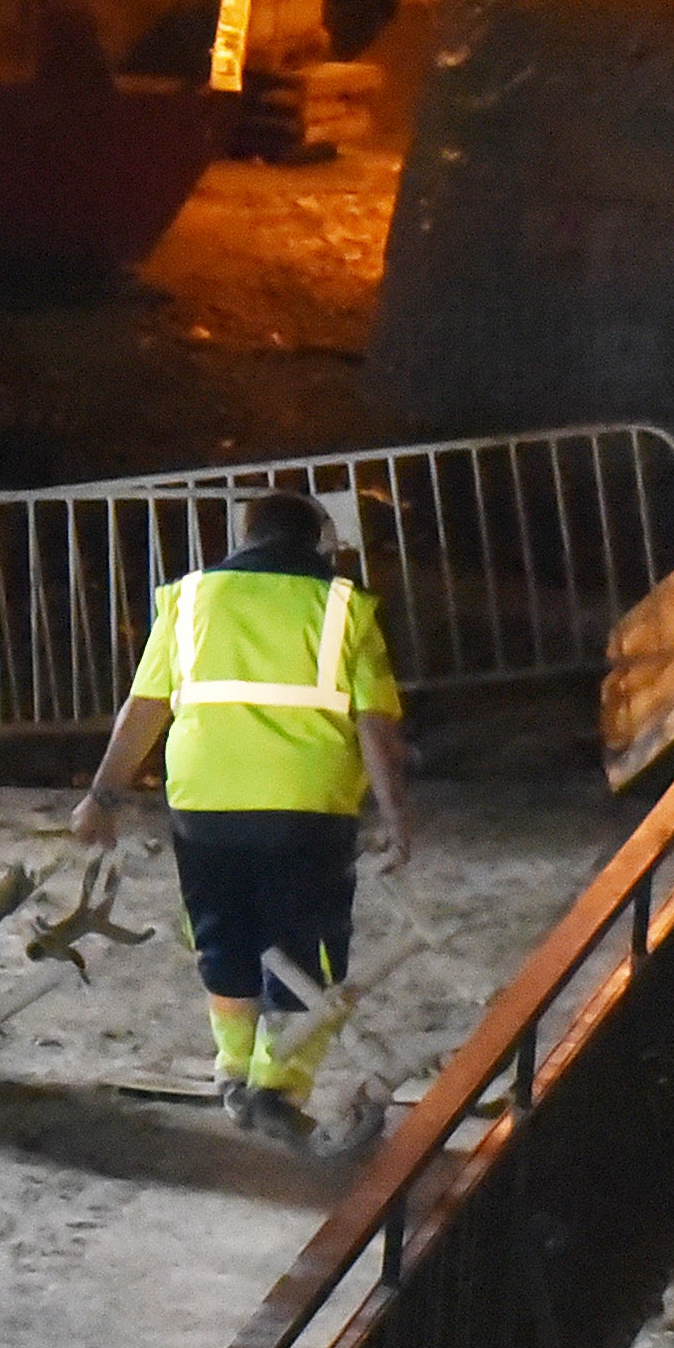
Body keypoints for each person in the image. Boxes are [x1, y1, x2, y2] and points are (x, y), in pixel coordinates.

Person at [73, 489, 414, 1142]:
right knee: (303, 943)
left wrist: (102, 795)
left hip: (204, 805)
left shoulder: (190, 597)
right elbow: (377, 724)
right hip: (306, 808)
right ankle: (276, 1090)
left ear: (243, 536)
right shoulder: (346, 606)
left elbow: (144, 707)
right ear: (320, 541)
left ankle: (233, 1073)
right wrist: (397, 817)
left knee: (222, 931)